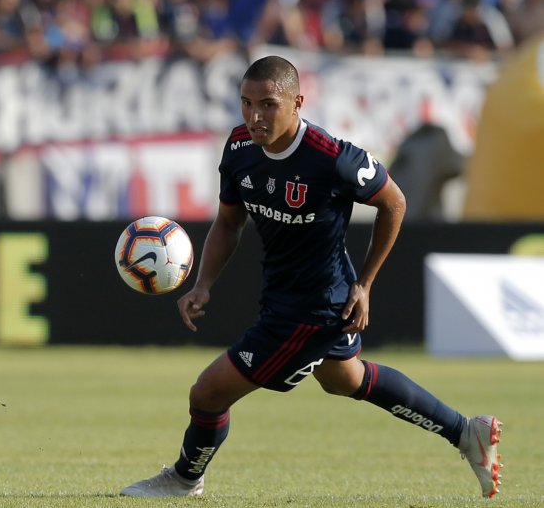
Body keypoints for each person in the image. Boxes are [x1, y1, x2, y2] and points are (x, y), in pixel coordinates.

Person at [119, 55, 503, 499]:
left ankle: (185, 478)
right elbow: (228, 223)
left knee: (206, 394)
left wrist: (365, 283)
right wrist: (203, 284)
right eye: (246, 103)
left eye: (268, 104)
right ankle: (465, 432)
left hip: (313, 309)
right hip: (285, 295)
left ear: (298, 101)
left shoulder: (333, 158)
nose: (255, 117)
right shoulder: (240, 148)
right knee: (346, 379)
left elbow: (393, 203)